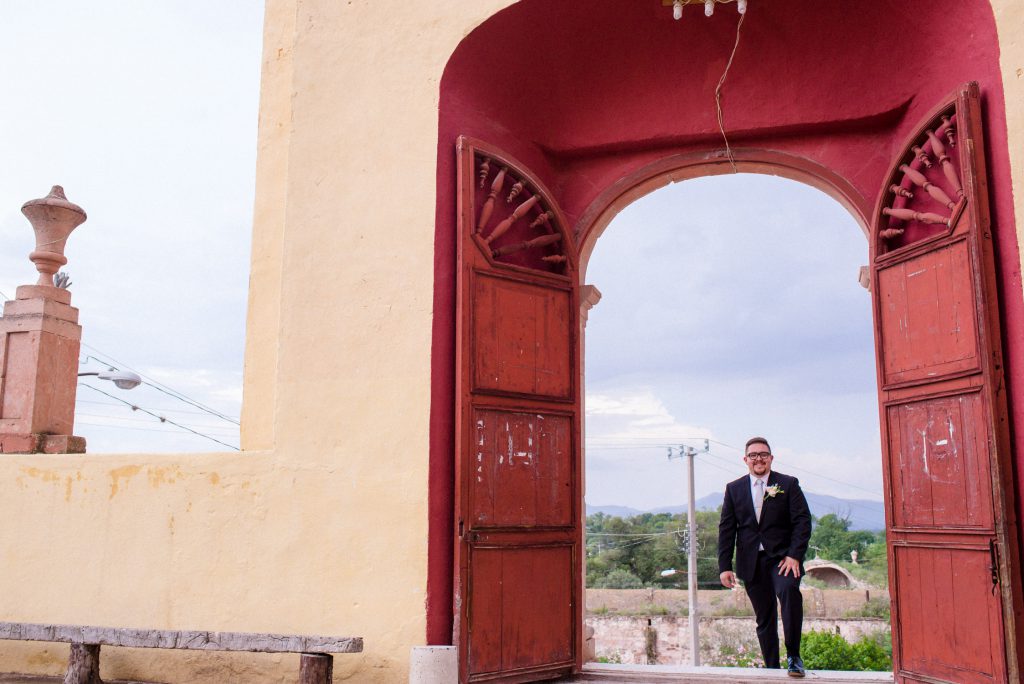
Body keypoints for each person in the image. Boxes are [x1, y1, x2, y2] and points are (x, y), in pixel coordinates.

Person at [718, 437, 812, 677]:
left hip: (782, 559)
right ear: (745, 459)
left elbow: (802, 521)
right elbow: (727, 529)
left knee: (789, 593)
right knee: (765, 617)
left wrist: (794, 556)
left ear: (771, 457)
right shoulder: (734, 488)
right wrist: (724, 566)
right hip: (752, 562)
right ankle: (772, 668)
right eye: (753, 455)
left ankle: (794, 657)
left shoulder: (788, 484)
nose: (758, 458)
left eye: (763, 454)